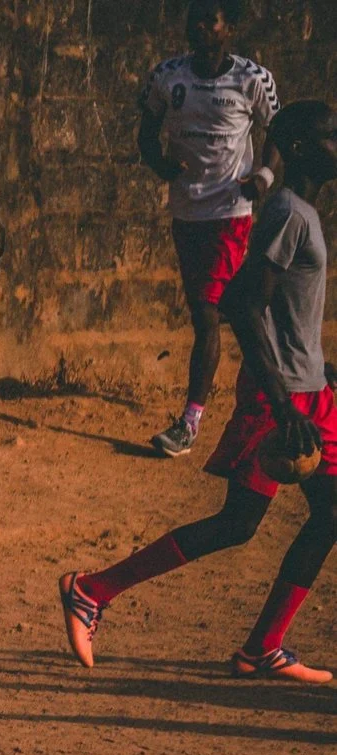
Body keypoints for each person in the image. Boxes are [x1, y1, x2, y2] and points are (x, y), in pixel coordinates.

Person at [63, 101, 337, 684]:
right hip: (282, 401)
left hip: (310, 392)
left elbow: (286, 313)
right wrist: (285, 401)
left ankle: (263, 647)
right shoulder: (289, 212)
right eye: (333, 136)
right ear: (305, 147)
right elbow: (241, 301)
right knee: (236, 524)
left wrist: (319, 364)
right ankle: (92, 590)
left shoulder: (302, 211)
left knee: (331, 513)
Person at [139, 0, 279, 457]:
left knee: (207, 315)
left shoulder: (252, 80)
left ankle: (189, 422)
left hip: (229, 214)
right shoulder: (167, 77)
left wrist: (263, 177)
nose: (199, 26)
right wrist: (162, 164)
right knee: (220, 313)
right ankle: (271, 394)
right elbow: (146, 133)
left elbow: (276, 134)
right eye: (193, 17)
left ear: (229, 29)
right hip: (186, 214)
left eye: (210, 19)